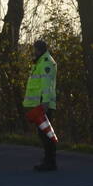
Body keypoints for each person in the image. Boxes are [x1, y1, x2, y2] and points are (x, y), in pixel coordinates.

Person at [23, 39, 58, 171]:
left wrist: (45, 103)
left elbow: (46, 85)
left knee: (46, 134)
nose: (34, 52)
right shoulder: (41, 61)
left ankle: (50, 162)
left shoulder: (45, 63)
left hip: (43, 105)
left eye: (35, 50)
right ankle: (48, 160)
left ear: (39, 49)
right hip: (40, 104)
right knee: (44, 133)